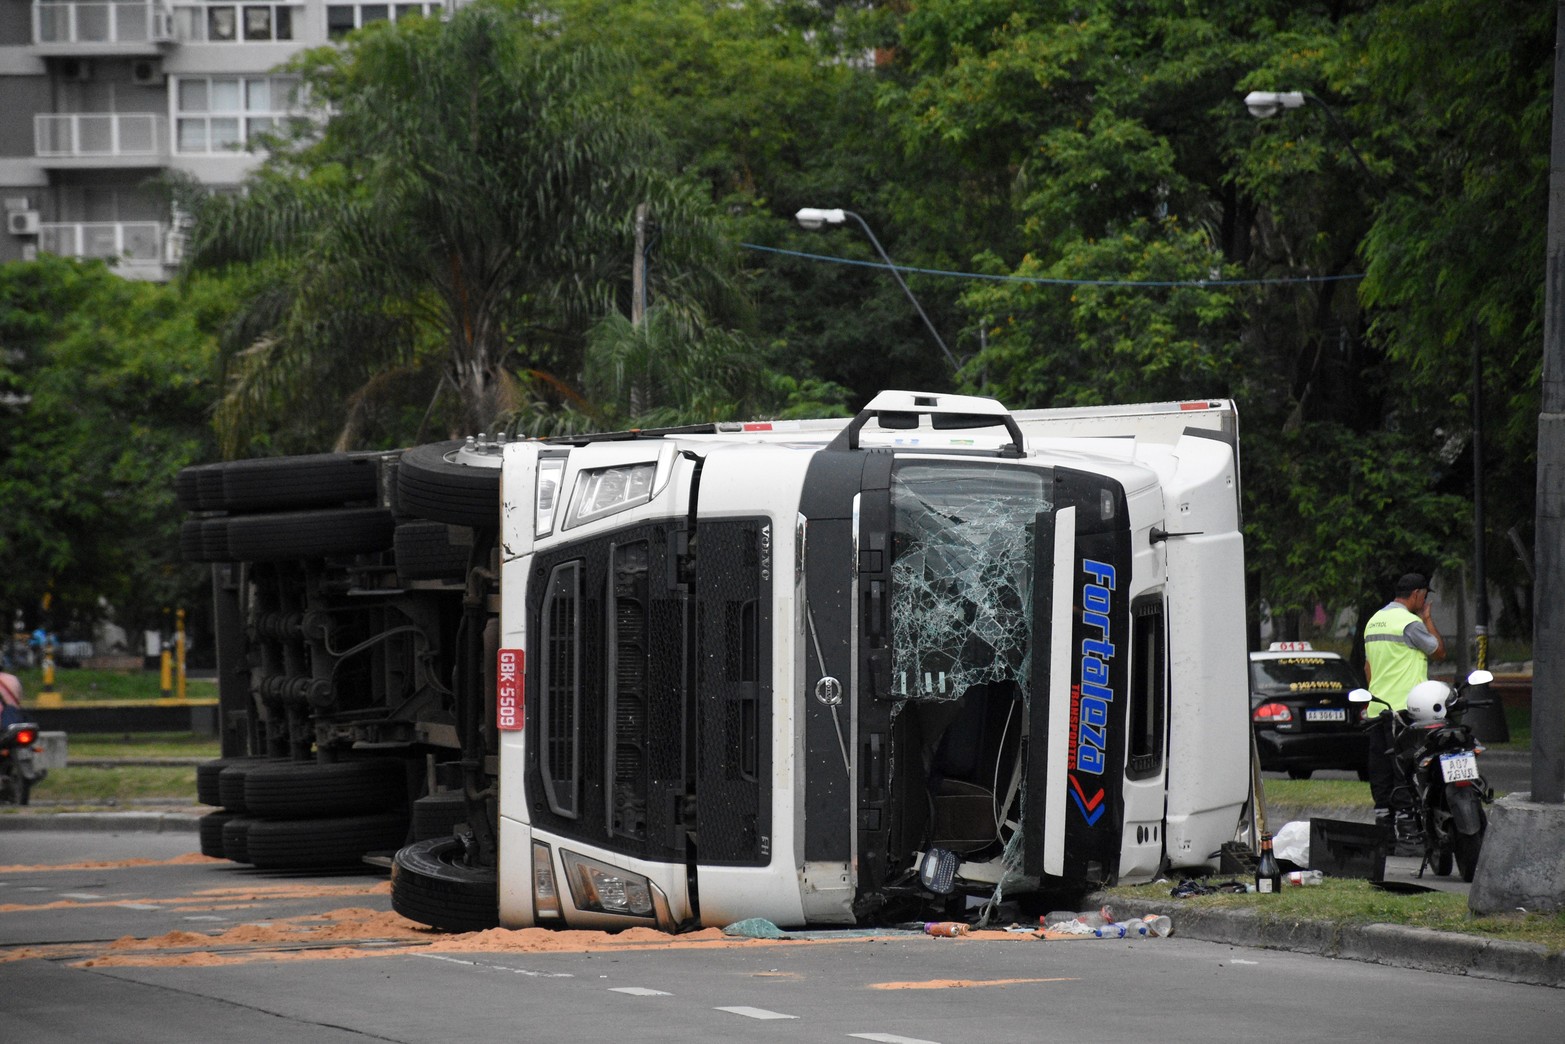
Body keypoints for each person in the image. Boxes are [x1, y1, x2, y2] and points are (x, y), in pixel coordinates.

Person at [1362, 572, 1446, 848]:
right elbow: (1438, 651)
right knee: (1407, 770)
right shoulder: (1410, 623)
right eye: (1425, 596)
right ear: (1417, 594)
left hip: (1378, 709)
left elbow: (1368, 667)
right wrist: (1427, 619)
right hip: (1407, 709)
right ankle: (1408, 832)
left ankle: (1384, 832)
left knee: (1382, 772)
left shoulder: (1374, 621)